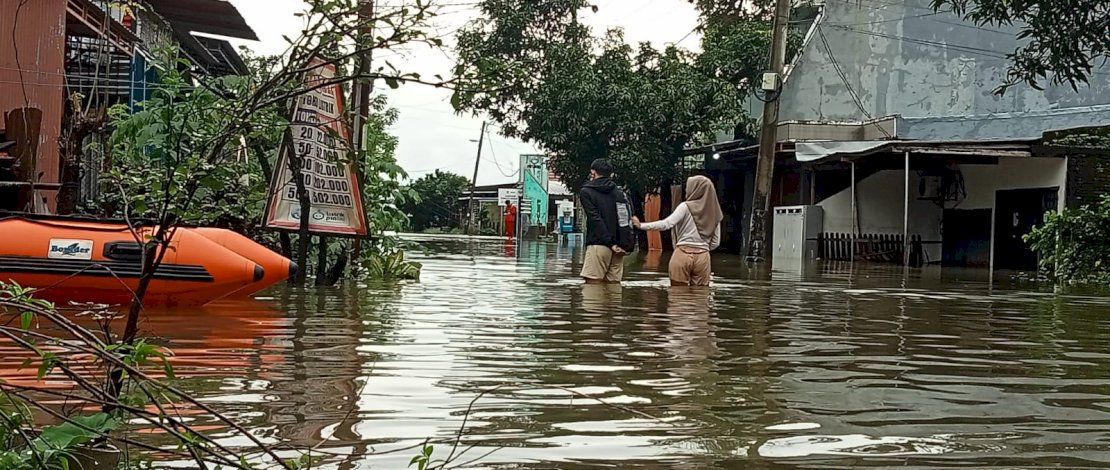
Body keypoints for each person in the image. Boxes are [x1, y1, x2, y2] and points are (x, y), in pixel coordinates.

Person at [632, 175, 723, 286]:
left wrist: (641, 225)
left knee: (678, 292)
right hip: (703, 257)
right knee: (701, 293)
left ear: (695, 189)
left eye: (688, 188)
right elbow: (715, 242)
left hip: (682, 254)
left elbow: (666, 224)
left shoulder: (685, 207)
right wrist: (702, 249)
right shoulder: (715, 212)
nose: (686, 191)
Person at [579, 158, 630, 284]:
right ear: (611, 175)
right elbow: (627, 218)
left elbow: (595, 219)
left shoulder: (586, 192)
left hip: (599, 244)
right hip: (619, 247)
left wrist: (610, 243)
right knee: (613, 288)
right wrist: (624, 245)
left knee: (592, 288)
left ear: (593, 172)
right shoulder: (620, 193)